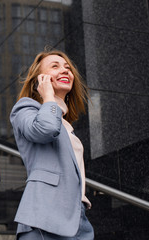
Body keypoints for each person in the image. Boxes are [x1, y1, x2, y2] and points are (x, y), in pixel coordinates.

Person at [10, 48, 94, 240]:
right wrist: (48, 97)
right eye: (54, 67)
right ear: (39, 80)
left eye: (67, 68)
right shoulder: (25, 108)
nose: (65, 71)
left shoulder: (66, 125)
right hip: (45, 217)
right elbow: (45, 130)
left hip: (77, 219)